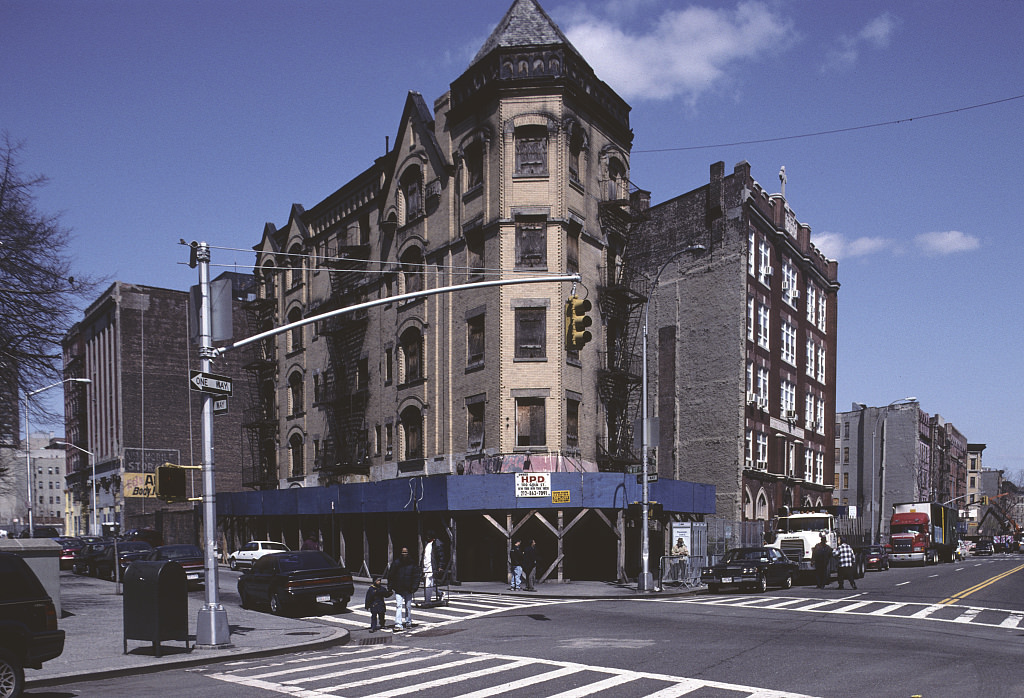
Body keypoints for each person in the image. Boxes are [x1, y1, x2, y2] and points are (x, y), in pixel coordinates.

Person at [385, 547, 421, 631]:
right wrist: (390, 587)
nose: (404, 554)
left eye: (406, 552)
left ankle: (408, 621)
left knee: (408, 606)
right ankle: (398, 624)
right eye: (403, 552)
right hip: (399, 588)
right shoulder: (396, 563)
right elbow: (391, 576)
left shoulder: (412, 564)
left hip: (408, 589)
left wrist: (414, 588)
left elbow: (416, 577)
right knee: (399, 606)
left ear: (408, 553)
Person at [422, 530, 448, 605]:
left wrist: (440, 566)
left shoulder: (437, 544)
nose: (427, 537)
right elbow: (424, 557)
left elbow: (441, 556)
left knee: (428, 584)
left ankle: (427, 600)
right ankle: (440, 593)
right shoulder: (427, 544)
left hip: (432, 566)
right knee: (430, 584)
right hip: (426, 566)